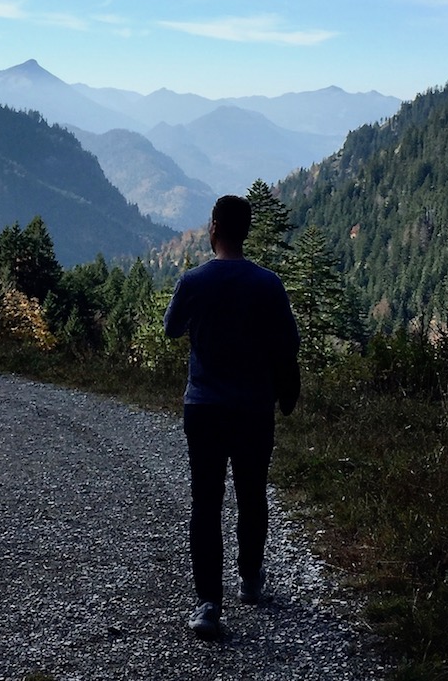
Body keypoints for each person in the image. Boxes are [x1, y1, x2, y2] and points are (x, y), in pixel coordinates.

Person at [164, 194, 300, 640]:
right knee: (252, 495)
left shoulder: (193, 281)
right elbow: (288, 343)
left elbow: (170, 328)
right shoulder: (268, 284)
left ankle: (208, 604)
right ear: (244, 231)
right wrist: (285, 388)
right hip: (253, 409)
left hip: (203, 406)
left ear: (215, 228)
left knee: (206, 503)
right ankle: (249, 578)